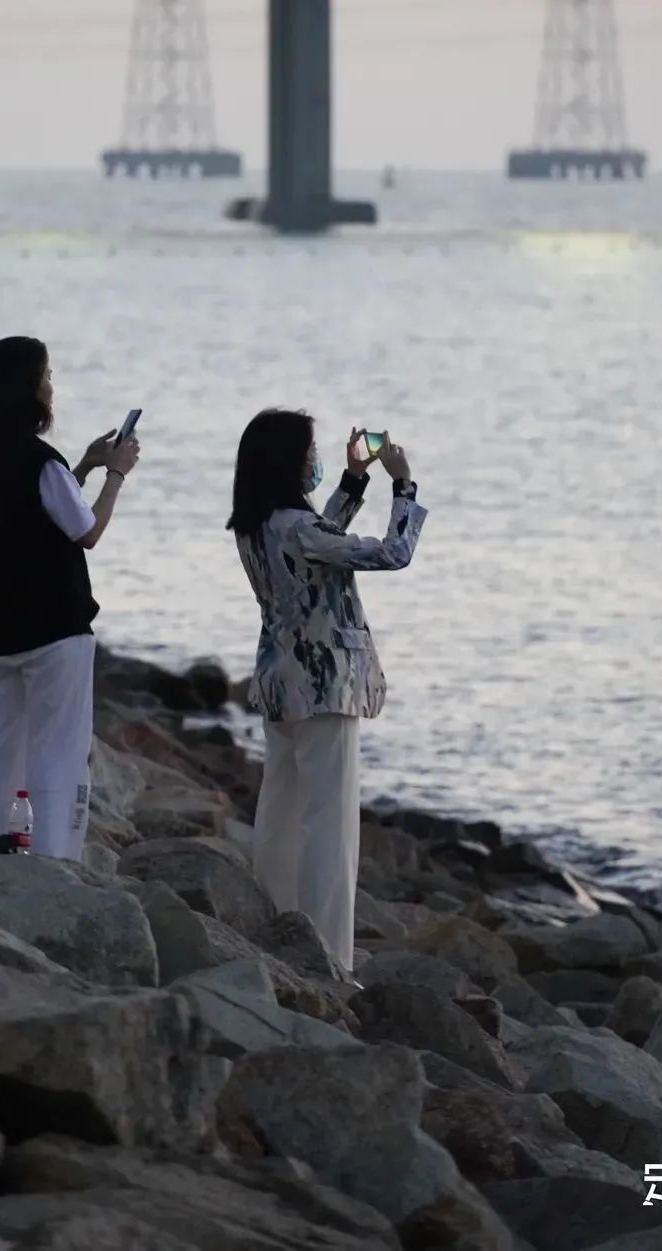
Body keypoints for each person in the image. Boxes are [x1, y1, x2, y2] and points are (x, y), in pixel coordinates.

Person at [227, 411, 427, 972]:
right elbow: (392, 552)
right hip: (324, 686)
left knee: (281, 811)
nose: (314, 458)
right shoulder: (298, 527)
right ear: (289, 460)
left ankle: (277, 928)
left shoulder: (257, 524)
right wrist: (403, 485)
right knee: (330, 825)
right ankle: (330, 958)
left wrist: (354, 480)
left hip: (280, 682)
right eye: (310, 451)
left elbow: (318, 547)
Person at [0, 336, 139, 858]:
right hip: (55, 631)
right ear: (29, 387)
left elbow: (42, 510)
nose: (52, 387)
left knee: (2, 744)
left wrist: (84, 466)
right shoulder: (39, 460)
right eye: (47, 376)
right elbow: (87, 531)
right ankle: (56, 861)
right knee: (59, 753)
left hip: (1, 632)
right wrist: (116, 474)